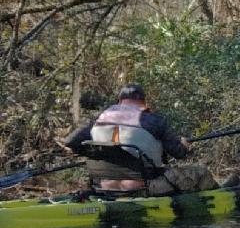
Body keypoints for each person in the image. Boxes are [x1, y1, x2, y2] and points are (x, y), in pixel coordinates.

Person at [65, 83, 218, 194]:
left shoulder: (98, 119)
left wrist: (94, 152)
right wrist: (184, 145)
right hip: (145, 186)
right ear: (144, 102)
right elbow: (178, 153)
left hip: (104, 186)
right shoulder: (154, 120)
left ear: (119, 101)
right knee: (201, 172)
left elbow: (71, 141)